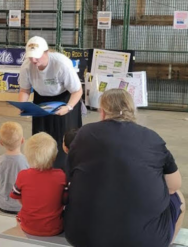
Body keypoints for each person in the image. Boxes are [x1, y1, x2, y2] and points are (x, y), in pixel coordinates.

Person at [64, 88, 185, 247]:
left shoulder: (84, 134)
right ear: (132, 110)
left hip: (81, 236)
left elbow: (71, 174)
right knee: (179, 198)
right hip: (145, 240)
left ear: (102, 112)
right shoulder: (153, 138)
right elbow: (174, 185)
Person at [18, 36, 83, 169]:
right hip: (41, 99)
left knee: (64, 136)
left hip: (64, 98)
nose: (34, 60)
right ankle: (42, 167)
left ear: (46, 52)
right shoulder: (27, 66)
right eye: (31, 57)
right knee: (41, 135)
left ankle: (65, 168)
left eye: (37, 57)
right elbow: (24, 90)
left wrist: (68, 107)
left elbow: (77, 91)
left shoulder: (61, 64)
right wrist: (22, 105)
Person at [10, 132, 67, 236]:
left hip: (27, 227)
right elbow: (64, 200)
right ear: (54, 156)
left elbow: (17, 196)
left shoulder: (23, 175)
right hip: (55, 228)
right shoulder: (61, 176)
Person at [0, 122, 29, 214]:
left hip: (2, 204)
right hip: (20, 206)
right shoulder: (27, 162)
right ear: (22, 140)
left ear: (1, 143)